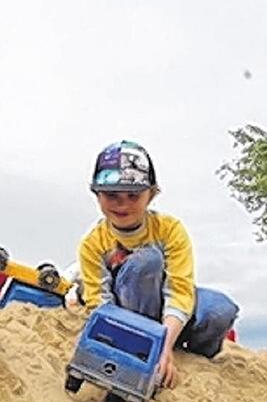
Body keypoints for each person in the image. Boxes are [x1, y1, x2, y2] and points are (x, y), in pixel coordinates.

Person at [77, 140, 239, 389]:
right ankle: (142, 346)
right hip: (129, 316)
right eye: (112, 195)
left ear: (151, 194)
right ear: (97, 195)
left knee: (220, 309)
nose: (122, 204)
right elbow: (99, 303)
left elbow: (179, 289)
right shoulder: (92, 243)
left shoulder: (170, 229)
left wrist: (164, 348)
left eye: (133, 195)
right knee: (146, 260)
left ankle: (194, 356)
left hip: (170, 315)